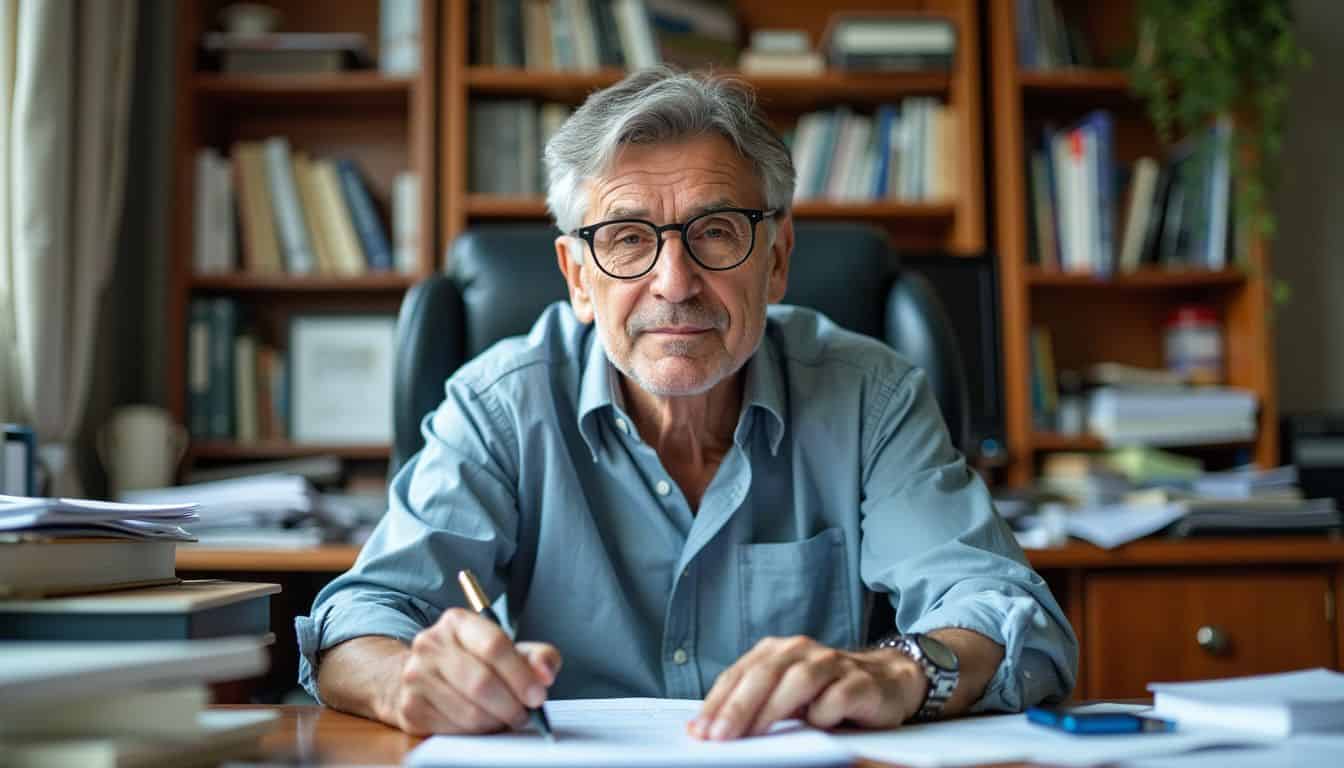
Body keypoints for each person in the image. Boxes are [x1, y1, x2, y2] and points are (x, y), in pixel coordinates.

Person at [297, 67, 1077, 740]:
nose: (675, 282)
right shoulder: (503, 404)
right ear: (577, 276)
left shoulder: (870, 393)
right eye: (629, 238)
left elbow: (1007, 611)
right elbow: (360, 618)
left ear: (777, 261)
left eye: (715, 231)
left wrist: (902, 672)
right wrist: (408, 681)